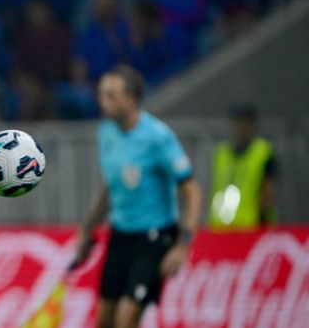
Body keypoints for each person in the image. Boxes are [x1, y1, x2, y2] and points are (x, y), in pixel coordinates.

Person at [72, 66, 202, 328]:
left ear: (131, 99)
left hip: (154, 238)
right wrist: (87, 229)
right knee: (104, 321)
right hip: (120, 235)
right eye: (101, 94)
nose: (102, 102)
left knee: (126, 319)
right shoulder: (106, 133)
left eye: (110, 95)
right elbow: (111, 185)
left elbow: (192, 190)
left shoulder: (157, 137)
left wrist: (182, 244)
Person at [209, 105, 277, 229]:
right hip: (221, 227)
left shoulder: (262, 152)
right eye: (238, 123)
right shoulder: (222, 153)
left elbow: (268, 190)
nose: (241, 128)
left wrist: (262, 217)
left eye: (245, 124)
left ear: (253, 126)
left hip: (251, 225)